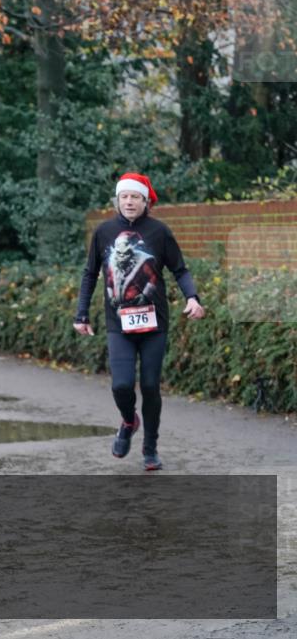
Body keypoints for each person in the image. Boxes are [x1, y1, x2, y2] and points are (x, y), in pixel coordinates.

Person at [74, 172, 205, 471]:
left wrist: (192, 297)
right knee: (121, 385)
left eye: (135, 197)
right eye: (125, 197)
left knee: (149, 385)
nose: (130, 202)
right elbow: (90, 273)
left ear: (145, 201)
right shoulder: (104, 231)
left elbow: (180, 269)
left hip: (153, 323)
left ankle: (150, 448)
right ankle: (130, 421)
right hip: (118, 323)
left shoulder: (159, 232)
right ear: (117, 200)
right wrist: (81, 313)